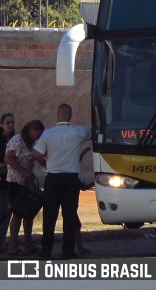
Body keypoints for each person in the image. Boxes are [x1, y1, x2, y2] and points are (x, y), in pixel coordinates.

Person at [33, 104, 90, 259]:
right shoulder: (79, 131)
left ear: (57, 115)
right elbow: (95, 130)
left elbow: (37, 154)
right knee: (69, 215)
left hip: (53, 177)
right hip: (71, 179)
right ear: (70, 116)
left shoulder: (47, 134)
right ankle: (68, 250)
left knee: (50, 215)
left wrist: (46, 164)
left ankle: (46, 250)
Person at [5, 120, 44, 255]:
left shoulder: (32, 143)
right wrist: (24, 171)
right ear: (30, 130)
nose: (37, 136)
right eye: (36, 133)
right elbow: (9, 159)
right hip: (15, 181)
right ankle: (12, 247)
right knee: (17, 214)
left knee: (28, 213)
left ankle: (28, 245)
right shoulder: (17, 140)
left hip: (26, 182)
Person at [0, 113, 16, 253]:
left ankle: (2, 241)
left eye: (12, 123)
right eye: (7, 123)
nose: (10, 125)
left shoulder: (15, 140)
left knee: (7, 212)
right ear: (1, 124)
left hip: (10, 181)